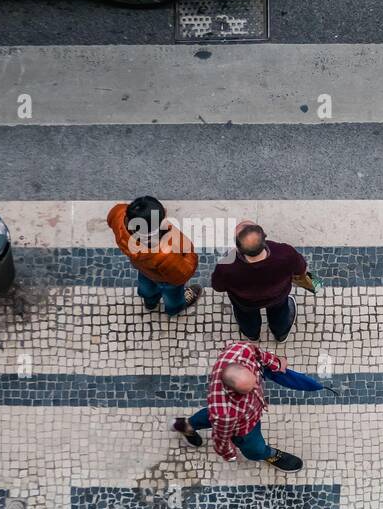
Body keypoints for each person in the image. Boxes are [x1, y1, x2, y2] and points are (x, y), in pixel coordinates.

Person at [172, 341, 304, 472]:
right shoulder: (224, 412)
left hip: (230, 415)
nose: (255, 388)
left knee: (211, 415)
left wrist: (276, 363)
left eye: (254, 381)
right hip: (244, 427)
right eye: (248, 390)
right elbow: (220, 437)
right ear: (233, 390)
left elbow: (258, 354)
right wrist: (229, 453)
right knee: (255, 448)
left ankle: (184, 425)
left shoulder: (241, 350)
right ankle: (268, 454)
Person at [106, 196, 202, 316]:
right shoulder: (166, 251)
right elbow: (183, 273)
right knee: (172, 295)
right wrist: (189, 252)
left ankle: (150, 303)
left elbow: (112, 217)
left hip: (143, 268)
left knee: (146, 285)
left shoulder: (119, 215)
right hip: (165, 279)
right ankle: (174, 309)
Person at [211, 221, 307, 342]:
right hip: (278, 296)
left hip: (245, 302)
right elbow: (300, 268)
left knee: (246, 318)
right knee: (280, 313)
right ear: (264, 236)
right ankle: (281, 334)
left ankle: (252, 334)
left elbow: (218, 286)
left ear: (237, 247)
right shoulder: (285, 253)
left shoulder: (227, 266)